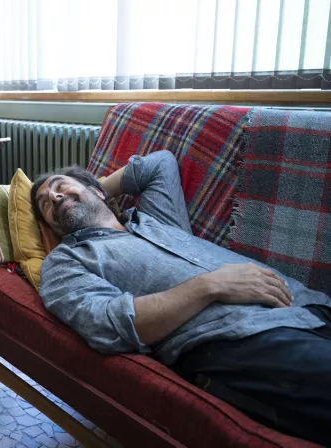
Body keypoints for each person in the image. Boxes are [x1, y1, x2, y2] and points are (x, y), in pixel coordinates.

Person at [31, 150, 331, 445]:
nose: (54, 197)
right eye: (45, 204)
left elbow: (159, 163)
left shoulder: (156, 220)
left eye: (59, 186)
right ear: (50, 227)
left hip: (309, 304)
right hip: (239, 338)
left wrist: (90, 191)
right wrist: (208, 286)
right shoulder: (64, 262)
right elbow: (108, 325)